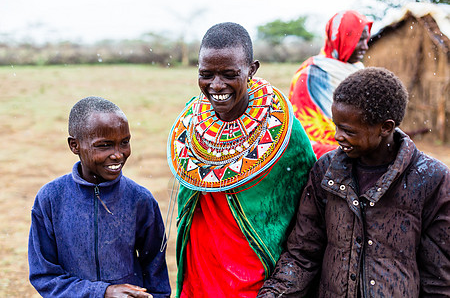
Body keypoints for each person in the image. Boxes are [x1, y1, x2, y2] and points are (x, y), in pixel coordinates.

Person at [257, 67, 450, 297]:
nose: (337, 136)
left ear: (385, 127)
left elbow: (439, 277)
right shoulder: (326, 172)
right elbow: (303, 254)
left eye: (348, 130)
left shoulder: (431, 179)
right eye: (336, 125)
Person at [167, 22, 316, 297]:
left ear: (252, 69)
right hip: (200, 271)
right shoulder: (192, 123)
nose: (216, 85)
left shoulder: (284, 131)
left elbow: (308, 213)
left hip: (258, 278)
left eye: (229, 74)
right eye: (206, 74)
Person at [28, 96, 171, 298]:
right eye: (104, 145)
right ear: (74, 146)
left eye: (124, 142)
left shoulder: (140, 200)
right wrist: (101, 292)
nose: (118, 154)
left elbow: (156, 273)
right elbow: (44, 276)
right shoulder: (50, 199)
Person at [289, 10, 372, 159]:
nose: (365, 47)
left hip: (356, 150)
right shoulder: (310, 75)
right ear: (342, 39)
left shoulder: (359, 70)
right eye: (360, 39)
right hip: (320, 156)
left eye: (366, 40)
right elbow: (303, 132)